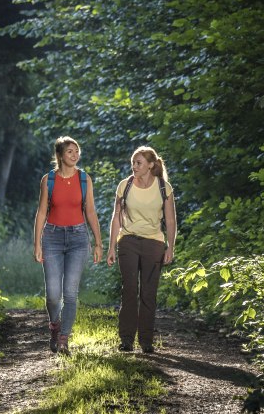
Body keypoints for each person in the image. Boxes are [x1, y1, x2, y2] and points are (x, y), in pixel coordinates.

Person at [33, 136, 103, 355]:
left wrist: (98, 242)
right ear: (60, 155)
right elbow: (42, 212)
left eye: (77, 151)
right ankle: (55, 326)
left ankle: (64, 339)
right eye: (70, 151)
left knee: (70, 294)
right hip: (52, 238)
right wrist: (37, 243)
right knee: (53, 295)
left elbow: (90, 211)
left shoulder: (85, 179)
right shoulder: (49, 180)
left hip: (78, 238)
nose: (75, 155)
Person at [106, 146, 177, 353]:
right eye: (133, 163)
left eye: (138, 163)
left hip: (154, 243)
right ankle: (126, 339)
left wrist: (170, 247)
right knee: (129, 289)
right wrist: (112, 246)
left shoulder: (164, 188)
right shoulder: (125, 185)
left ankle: (146, 341)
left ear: (150, 165)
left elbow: (171, 221)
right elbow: (116, 217)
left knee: (148, 292)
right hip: (127, 240)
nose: (134, 166)